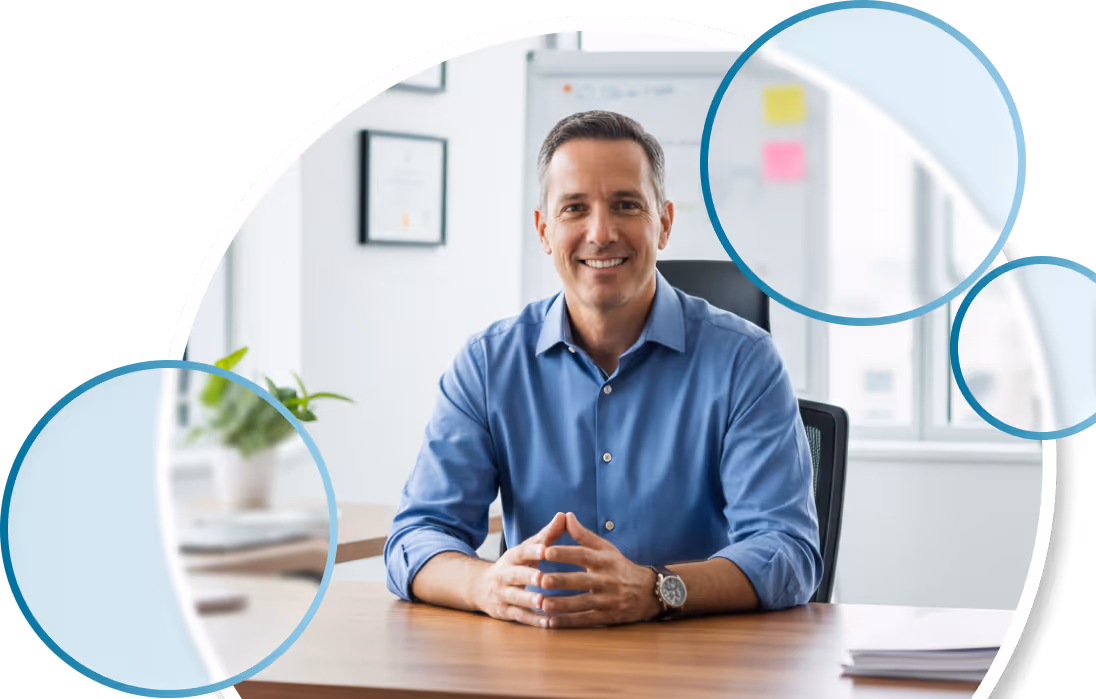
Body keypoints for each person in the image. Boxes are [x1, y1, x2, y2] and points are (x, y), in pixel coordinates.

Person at [383, 110, 822, 629]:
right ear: (544, 230)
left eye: (626, 205)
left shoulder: (745, 360)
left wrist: (656, 589)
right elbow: (416, 538)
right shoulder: (488, 364)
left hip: (695, 653)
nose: (601, 232)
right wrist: (485, 586)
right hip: (536, 652)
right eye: (575, 208)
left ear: (664, 223)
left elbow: (787, 551)